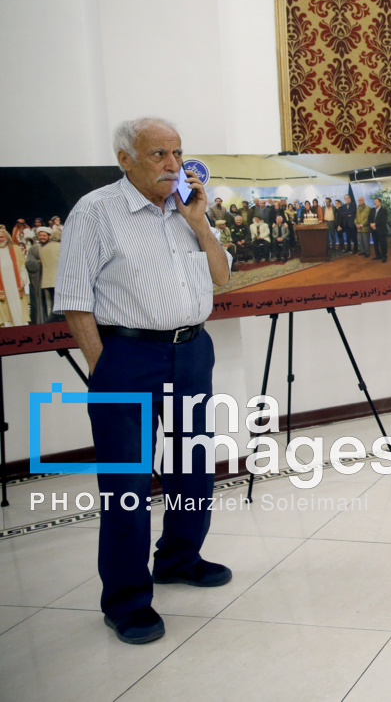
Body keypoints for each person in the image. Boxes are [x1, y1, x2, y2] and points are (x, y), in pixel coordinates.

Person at [54, 117, 233, 645]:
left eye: (177, 153)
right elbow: (74, 297)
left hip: (191, 352)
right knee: (127, 485)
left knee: (191, 467)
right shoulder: (96, 211)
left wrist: (198, 222)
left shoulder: (187, 207)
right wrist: (103, 367)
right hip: (127, 356)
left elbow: (222, 276)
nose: (173, 165)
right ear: (125, 159)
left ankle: (179, 559)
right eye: (158, 154)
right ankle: (127, 601)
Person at [0, 226, 30, 325]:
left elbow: (22, 266)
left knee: (19, 306)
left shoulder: (16, 249)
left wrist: (22, 279)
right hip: (2, 285)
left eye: (2, 237)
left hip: (15, 283)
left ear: (7, 237)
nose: (0, 239)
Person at [370, 196, 390, 262]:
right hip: (373, 229)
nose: (375, 203)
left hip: (381, 230)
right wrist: (371, 224)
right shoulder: (372, 210)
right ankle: (378, 255)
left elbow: (383, 220)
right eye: (374, 202)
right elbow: (369, 218)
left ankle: (384, 256)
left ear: (380, 203)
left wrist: (375, 224)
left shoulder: (384, 210)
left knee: (382, 244)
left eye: (376, 202)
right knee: (375, 244)